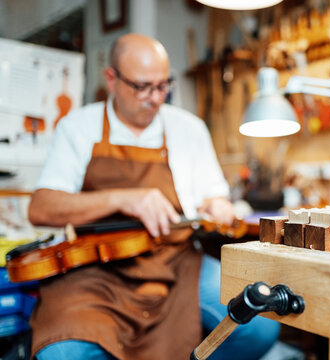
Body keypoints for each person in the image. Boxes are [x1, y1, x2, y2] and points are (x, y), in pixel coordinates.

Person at [27, 33, 280, 360]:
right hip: (95, 268)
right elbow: (40, 208)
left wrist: (220, 206)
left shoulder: (189, 129)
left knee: (259, 325)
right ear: (112, 79)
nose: (156, 98)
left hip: (176, 262)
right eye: (143, 87)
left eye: (163, 86)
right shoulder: (77, 127)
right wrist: (122, 198)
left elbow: (216, 199)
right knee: (61, 354)